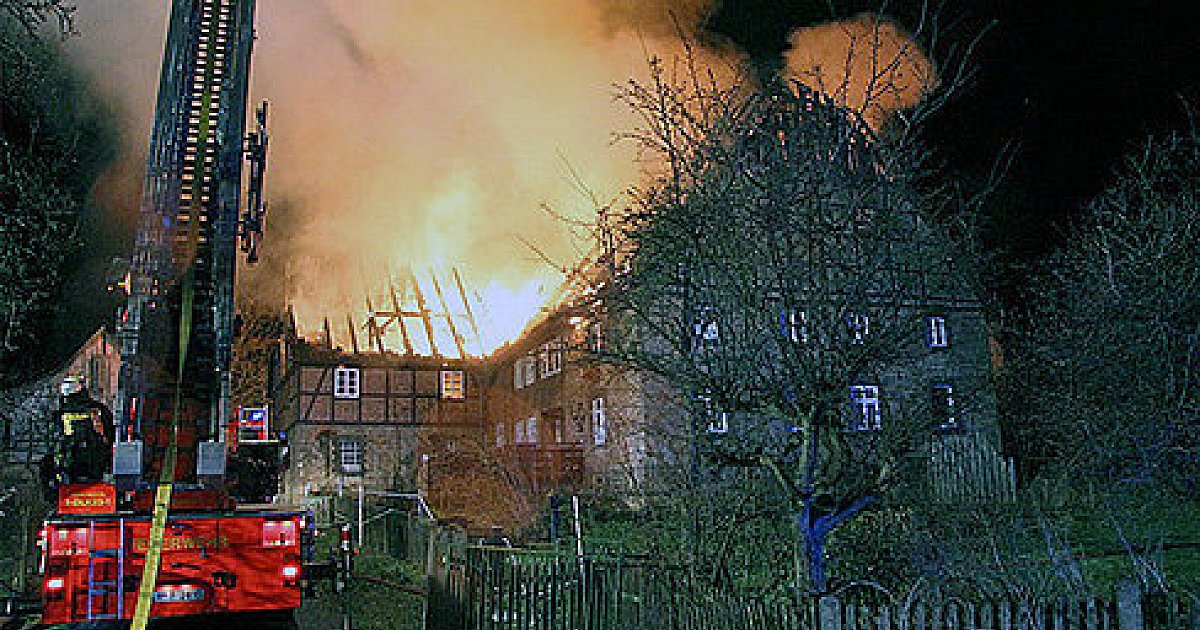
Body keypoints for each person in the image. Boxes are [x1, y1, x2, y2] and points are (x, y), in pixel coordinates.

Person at [45, 377, 114, 489]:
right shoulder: (99, 409)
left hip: (69, 465)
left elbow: (52, 440)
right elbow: (111, 432)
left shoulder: (59, 415)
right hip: (97, 462)